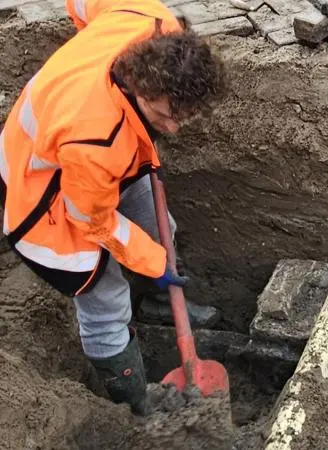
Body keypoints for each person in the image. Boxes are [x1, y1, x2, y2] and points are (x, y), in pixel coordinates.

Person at [0, 0, 226, 415]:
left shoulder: (151, 20)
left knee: (162, 233)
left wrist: (84, 40)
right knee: (106, 298)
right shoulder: (96, 138)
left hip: (95, 158)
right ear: (143, 84)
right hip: (44, 187)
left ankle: (162, 303)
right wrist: (151, 263)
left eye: (184, 116)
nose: (174, 127)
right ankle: (134, 404)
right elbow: (91, 219)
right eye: (165, 115)